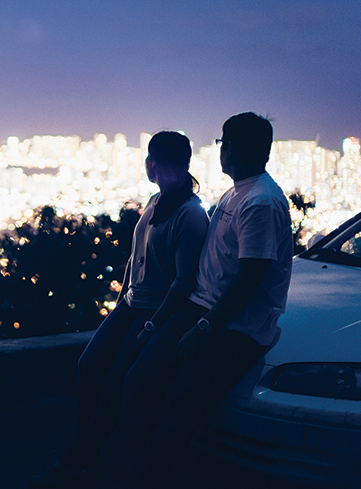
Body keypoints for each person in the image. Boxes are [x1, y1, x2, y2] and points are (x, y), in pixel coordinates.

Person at [107, 112, 294, 488]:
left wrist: (205, 328)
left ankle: (142, 475)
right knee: (140, 381)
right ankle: (125, 468)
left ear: (235, 149)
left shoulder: (260, 201)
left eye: (223, 143)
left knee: (180, 404)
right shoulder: (238, 191)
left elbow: (250, 277)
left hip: (231, 325)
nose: (220, 150)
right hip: (198, 307)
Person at [30, 131, 209, 489]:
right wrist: (120, 303)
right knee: (89, 366)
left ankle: (77, 459)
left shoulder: (190, 216)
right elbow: (135, 259)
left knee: (117, 386)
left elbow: (184, 281)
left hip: (152, 312)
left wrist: (154, 325)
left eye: (154, 161)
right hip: (129, 306)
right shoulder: (156, 202)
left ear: (155, 164)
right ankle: (89, 450)